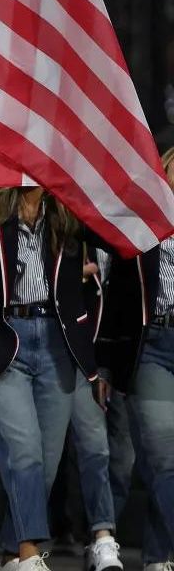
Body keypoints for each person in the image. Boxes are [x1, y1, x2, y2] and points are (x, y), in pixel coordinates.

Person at [0, 187, 101, 571]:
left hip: (59, 345)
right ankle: (28, 555)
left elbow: (113, 236)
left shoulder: (69, 207)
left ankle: (12, 553)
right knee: (24, 452)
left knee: (46, 464)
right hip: (2, 343)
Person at [99, 145, 174, 571]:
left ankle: (159, 556)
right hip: (153, 346)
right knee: (162, 456)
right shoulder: (140, 227)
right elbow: (119, 298)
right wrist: (106, 361)